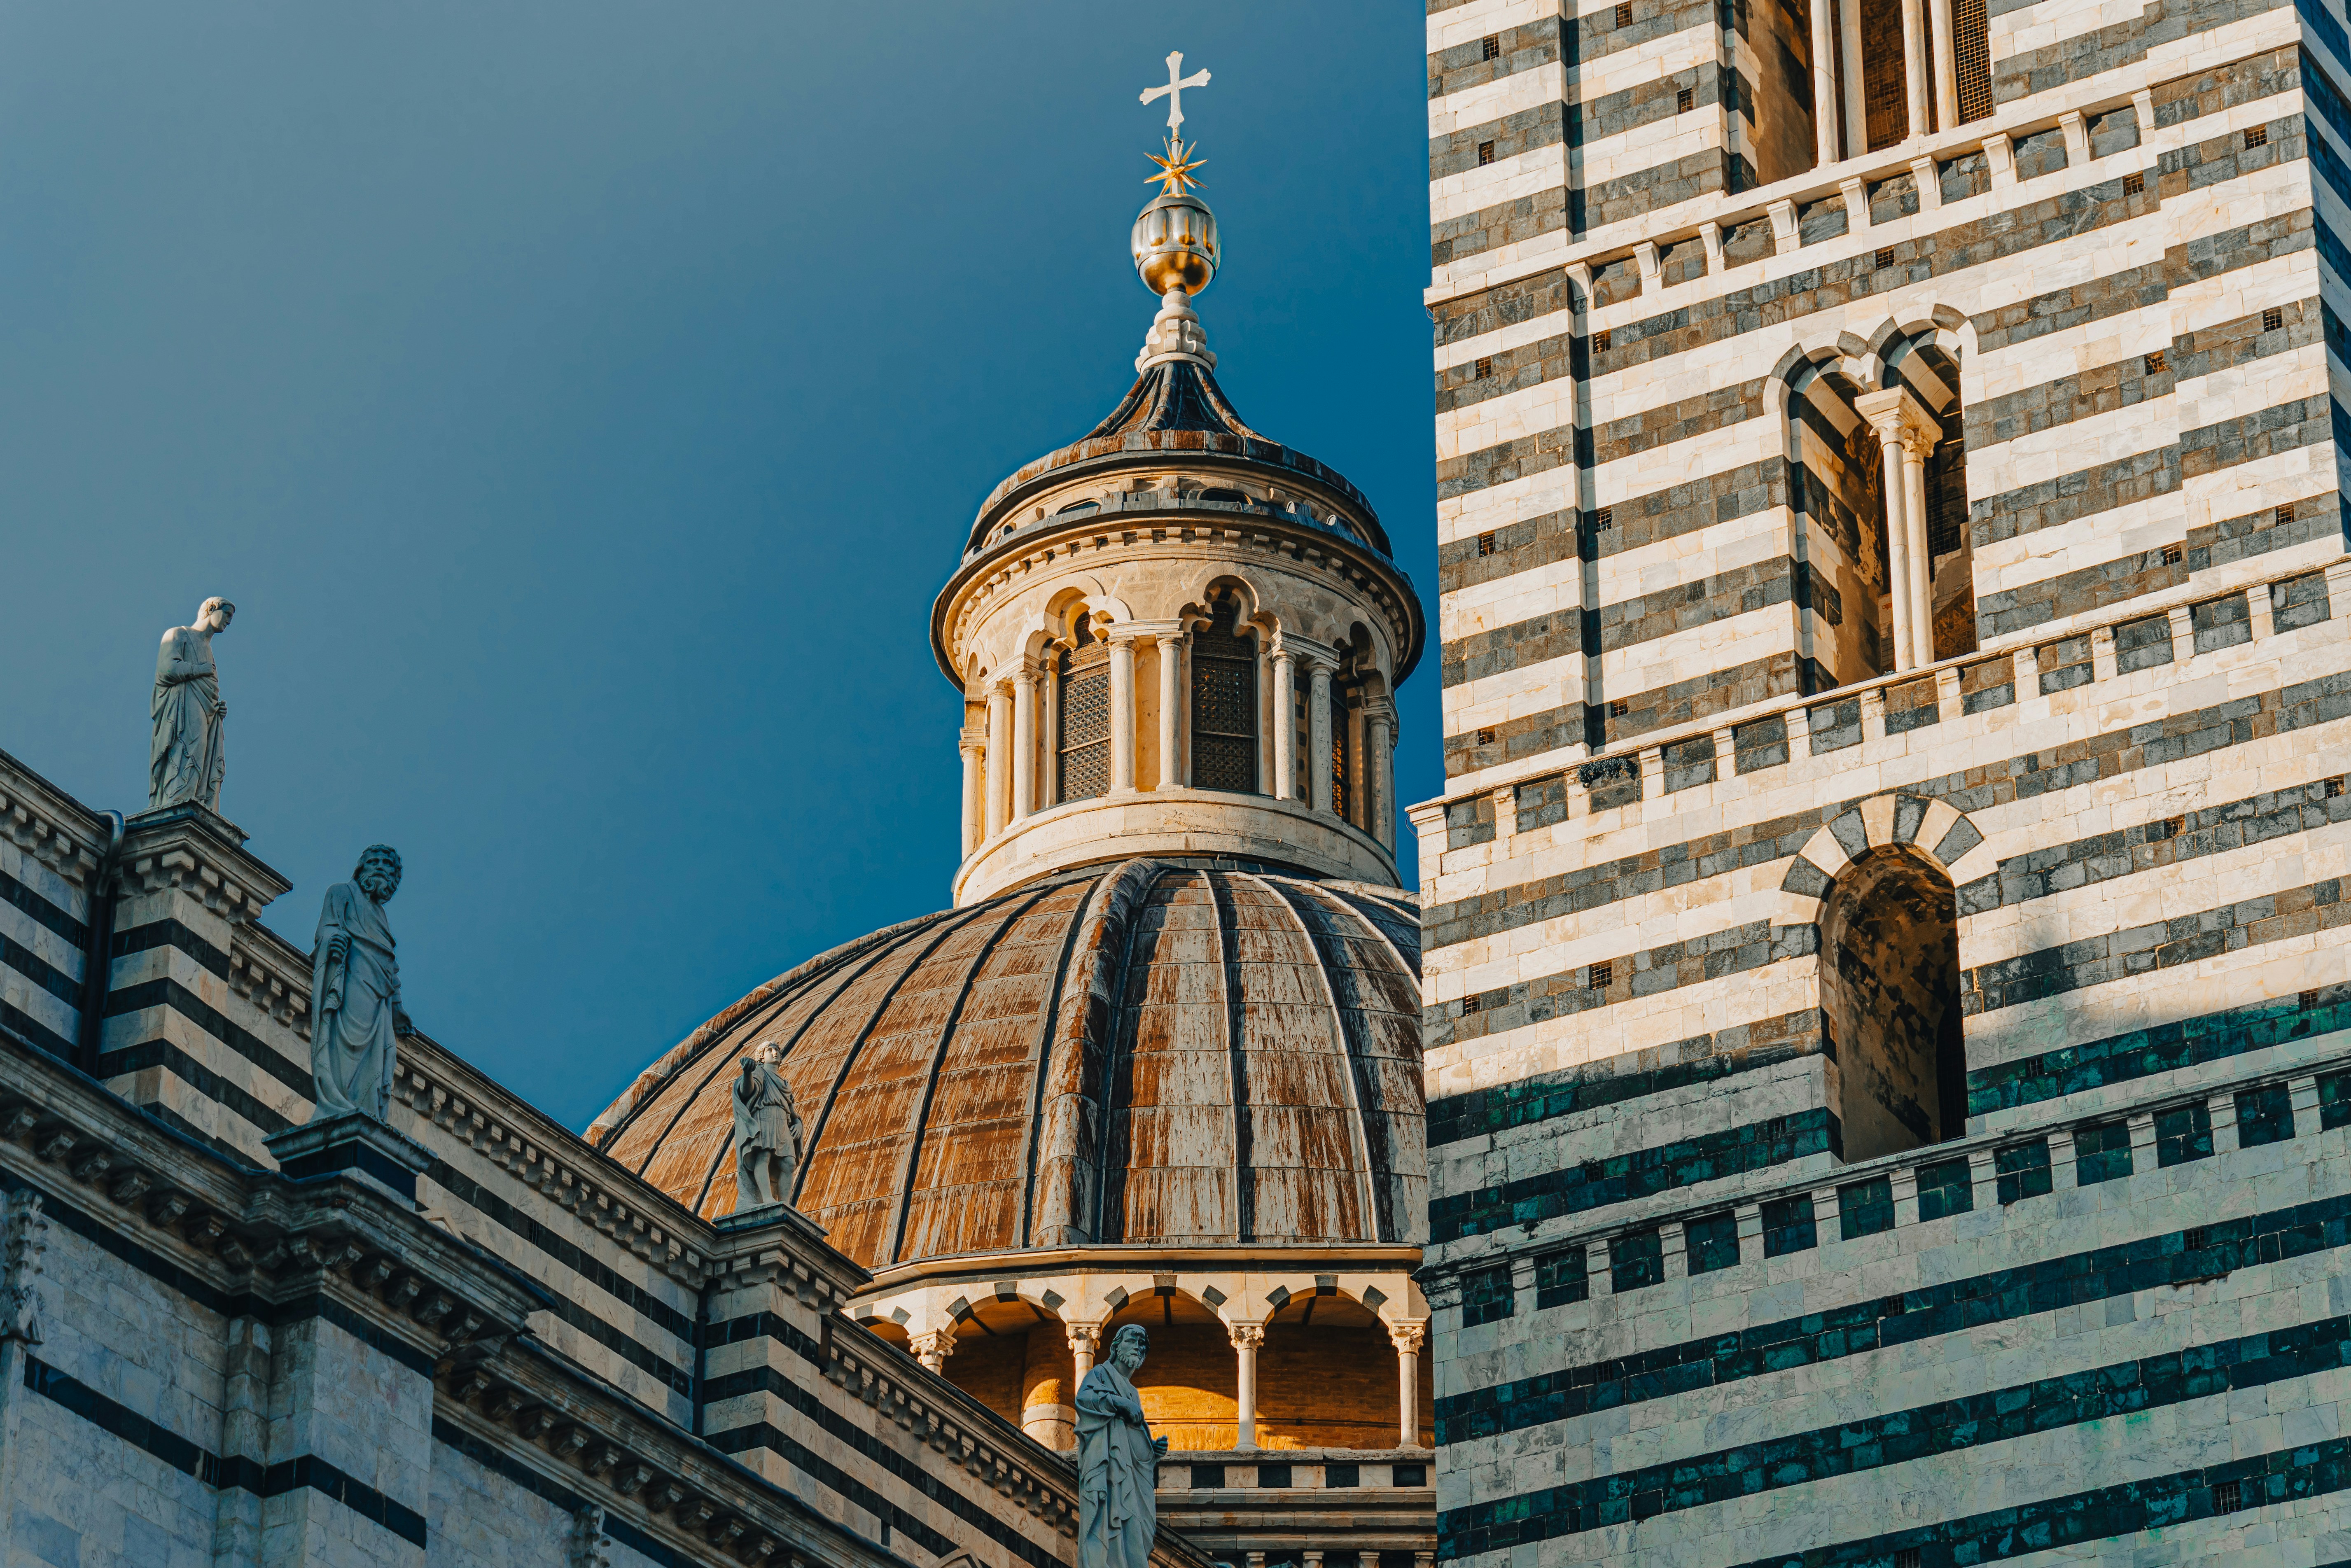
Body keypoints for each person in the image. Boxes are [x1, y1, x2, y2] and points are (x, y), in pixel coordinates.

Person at [308, 845, 414, 1120]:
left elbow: (390, 964)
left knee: (376, 1059)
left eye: (387, 865)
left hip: (379, 998)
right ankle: (339, 1102)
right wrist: (334, 940)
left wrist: (398, 1009)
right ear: (361, 867)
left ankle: (364, 1111)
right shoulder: (341, 892)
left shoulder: (381, 916)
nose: (380, 866)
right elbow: (326, 929)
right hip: (353, 980)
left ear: (394, 878)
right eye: (374, 861)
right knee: (347, 1046)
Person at [1075, 1323, 1166, 1568]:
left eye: (1141, 1344)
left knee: (1135, 1526)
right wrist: (1119, 1403)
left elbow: (1134, 1437)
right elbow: (1084, 1399)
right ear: (1116, 1347)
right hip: (1106, 1469)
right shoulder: (1100, 1374)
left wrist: (1152, 1452)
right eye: (1131, 1341)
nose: (1137, 1346)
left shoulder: (1133, 1392)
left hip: (1129, 1475)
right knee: (1105, 1520)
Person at [149, 597, 234, 811]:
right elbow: (166, 670)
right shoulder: (178, 634)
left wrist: (217, 711)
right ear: (212, 609)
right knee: (186, 750)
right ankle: (175, 803)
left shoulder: (209, 650)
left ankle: (194, 802)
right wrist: (199, 670)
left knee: (202, 755)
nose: (229, 622)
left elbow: (208, 691)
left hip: (203, 711)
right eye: (228, 615)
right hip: (182, 708)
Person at [731, 1044, 803, 1209]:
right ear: (761, 1057)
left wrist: (798, 1123)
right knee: (764, 1156)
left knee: (789, 1164)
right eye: (770, 1050)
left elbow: (791, 1111)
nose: (775, 1053)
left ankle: (785, 1203)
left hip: (782, 1121)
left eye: (777, 1050)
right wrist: (747, 1073)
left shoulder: (784, 1083)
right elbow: (747, 1091)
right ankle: (767, 1199)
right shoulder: (759, 1072)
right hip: (765, 1116)